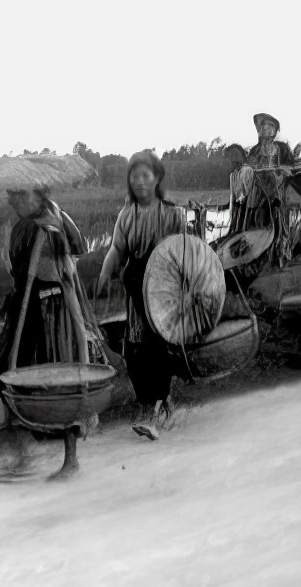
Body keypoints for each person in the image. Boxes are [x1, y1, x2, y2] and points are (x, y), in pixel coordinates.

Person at [0, 189, 100, 481]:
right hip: (24, 312)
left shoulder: (56, 222)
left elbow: (74, 253)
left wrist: (51, 232)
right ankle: (23, 456)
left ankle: (70, 460)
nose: (17, 202)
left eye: (24, 196)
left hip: (54, 312)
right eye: (13, 197)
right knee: (7, 377)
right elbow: (18, 272)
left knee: (61, 380)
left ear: (40, 195)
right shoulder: (22, 228)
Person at [96, 151, 186, 441]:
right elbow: (117, 249)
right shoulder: (127, 214)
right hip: (135, 293)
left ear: (157, 178)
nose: (140, 182)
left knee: (158, 349)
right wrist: (103, 274)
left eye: (146, 175)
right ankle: (152, 406)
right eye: (134, 176)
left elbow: (187, 255)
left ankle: (156, 411)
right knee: (134, 352)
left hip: (163, 295)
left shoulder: (174, 214)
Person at [226, 143, 254, 234]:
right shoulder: (233, 175)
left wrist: (240, 200)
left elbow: (247, 190)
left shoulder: (247, 171)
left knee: (241, 218)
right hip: (238, 203)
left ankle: (239, 232)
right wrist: (233, 205)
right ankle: (232, 231)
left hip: (246, 203)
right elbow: (232, 194)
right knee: (234, 219)